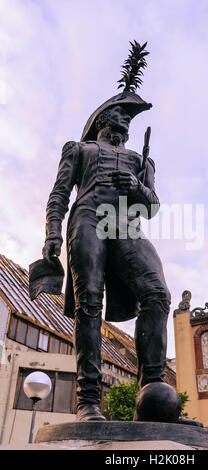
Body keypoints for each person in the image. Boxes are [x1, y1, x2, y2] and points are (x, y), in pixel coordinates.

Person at [42, 74, 171, 420]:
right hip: (87, 218)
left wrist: (137, 186)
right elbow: (58, 195)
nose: (125, 122)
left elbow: (152, 207)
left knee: (157, 293)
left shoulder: (141, 163)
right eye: (120, 114)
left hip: (125, 225)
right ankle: (88, 403)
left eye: (129, 119)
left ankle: (152, 392)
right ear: (102, 119)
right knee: (89, 302)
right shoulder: (79, 150)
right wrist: (52, 232)